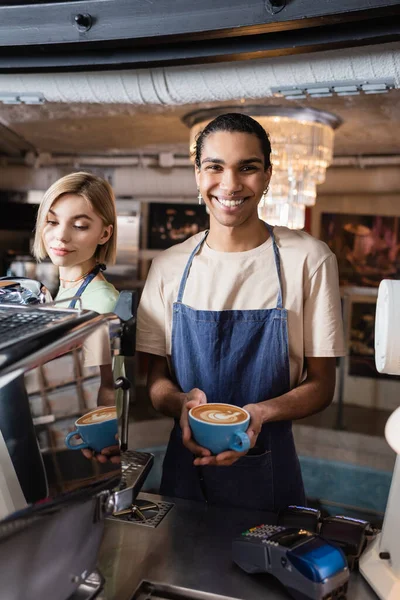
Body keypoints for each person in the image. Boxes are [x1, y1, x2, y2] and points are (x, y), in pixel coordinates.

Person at [136, 113, 346, 511]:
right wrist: (180, 404)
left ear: (268, 175)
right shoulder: (168, 266)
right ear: (198, 174)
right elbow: (156, 381)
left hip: (270, 473)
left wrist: (260, 413)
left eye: (247, 168)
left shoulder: (309, 259)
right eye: (215, 167)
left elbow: (322, 385)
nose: (230, 184)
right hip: (183, 469)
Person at [33, 171, 120, 463]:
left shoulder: (100, 302)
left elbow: (107, 387)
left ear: (104, 234)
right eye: (53, 221)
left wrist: (102, 445)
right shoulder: (63, 292)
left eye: (80, 225)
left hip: (76, 447)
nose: (61, 235)